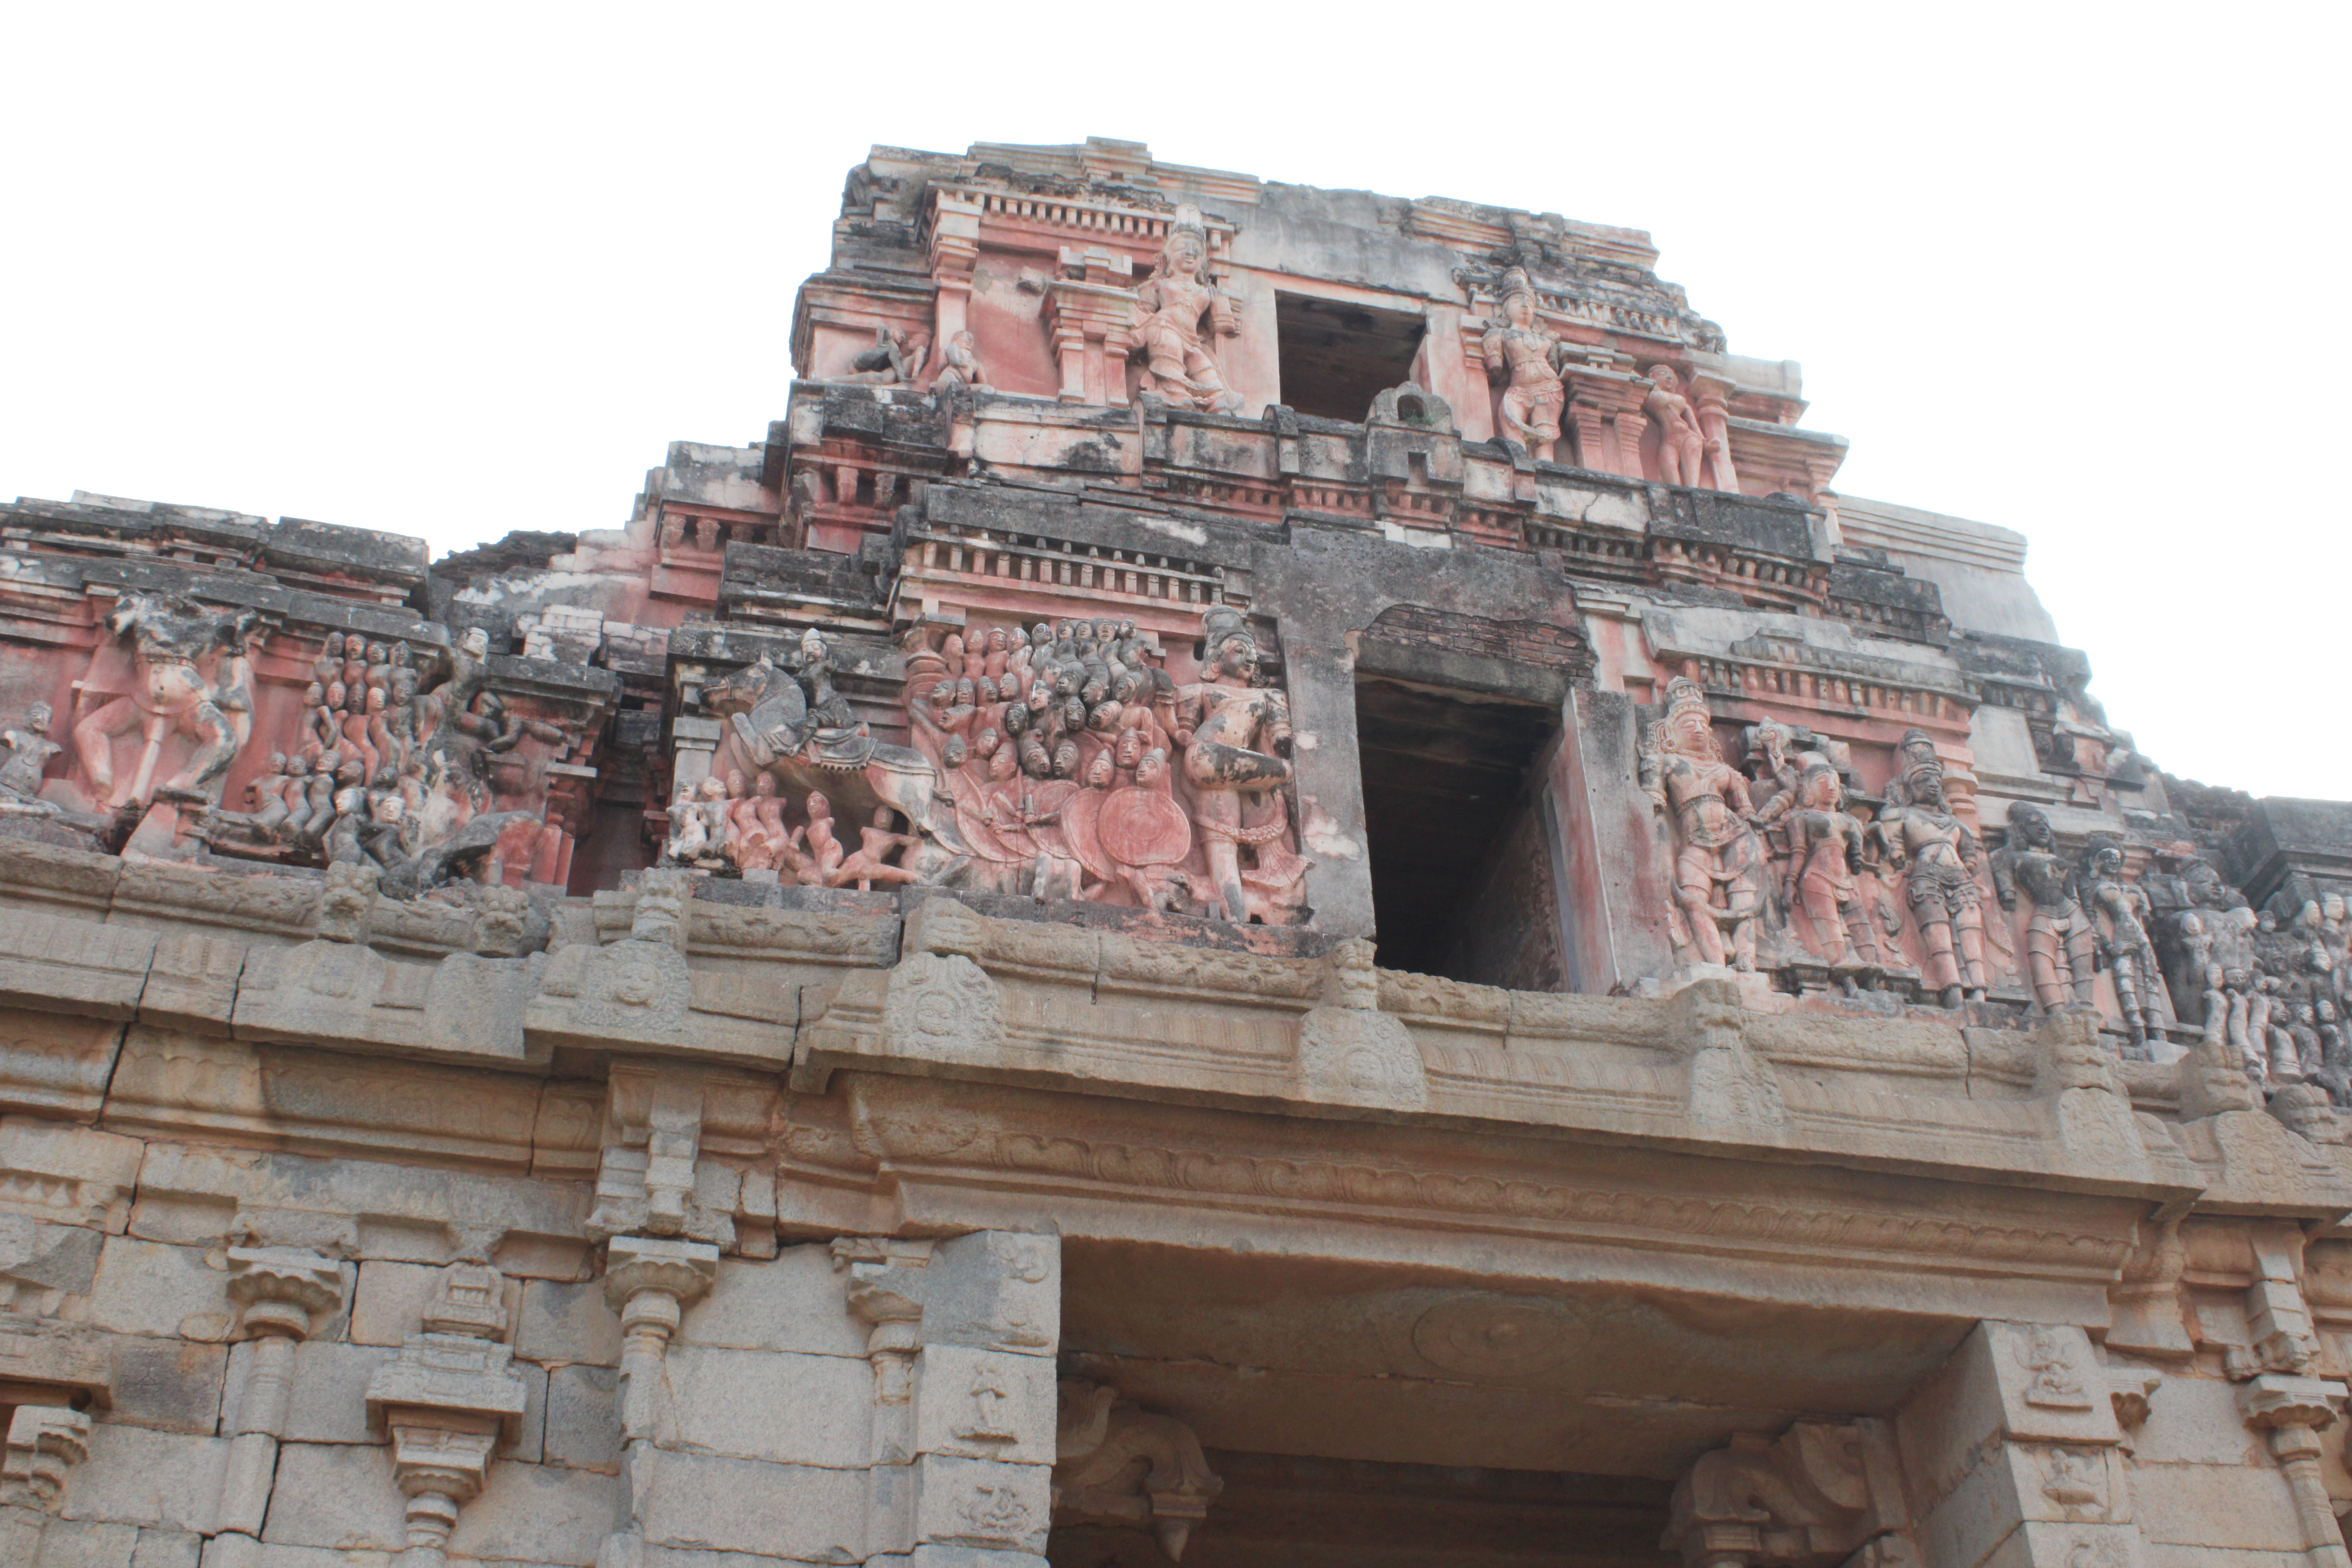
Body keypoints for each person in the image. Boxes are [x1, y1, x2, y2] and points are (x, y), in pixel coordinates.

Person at [1479, 269, 1566, 461]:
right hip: (1517, 391)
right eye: (1518, 302)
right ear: (1505, 309)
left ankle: (1547, 474)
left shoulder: (1547, 340)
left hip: (1549, 390)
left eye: (1530, 303)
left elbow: (1554, 367)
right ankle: (1519, 469)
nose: (1526, 306)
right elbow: (1495, 368)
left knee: (1546, 441)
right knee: (1511, 428)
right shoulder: (1499, 334)